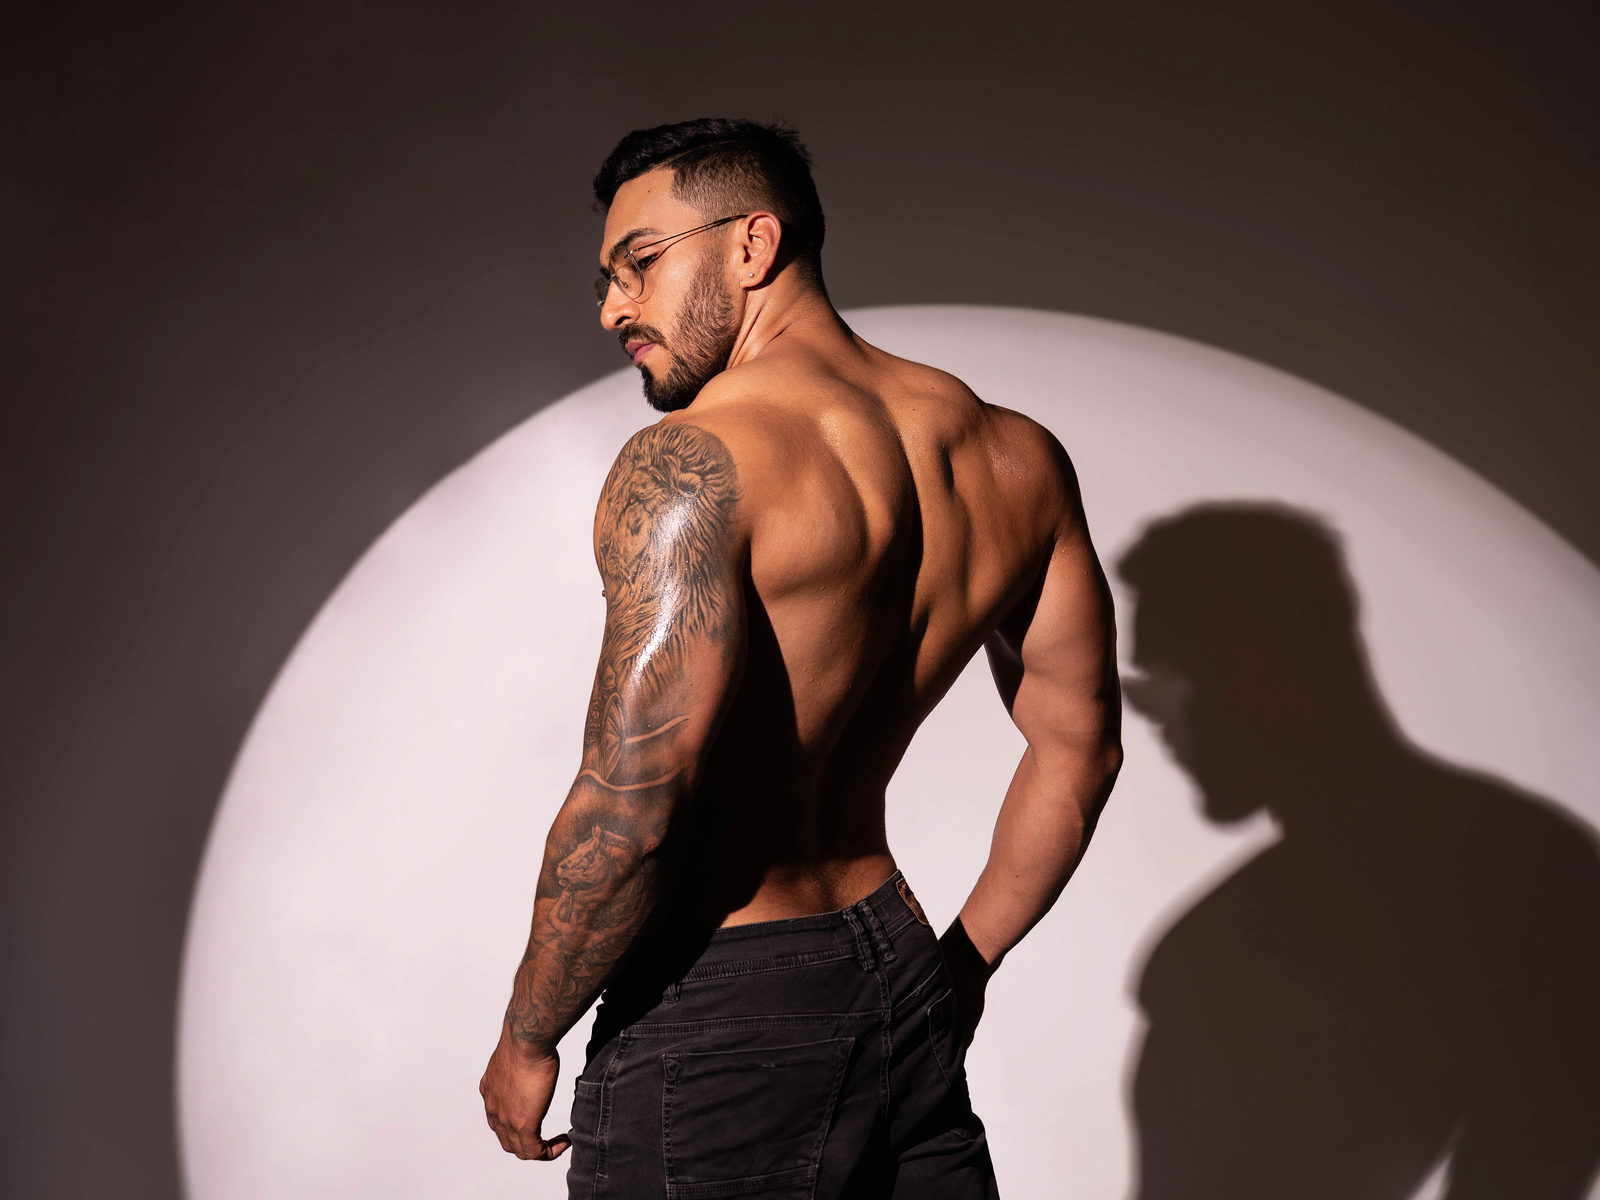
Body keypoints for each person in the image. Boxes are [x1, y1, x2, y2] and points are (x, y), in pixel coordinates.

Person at [480, 117, 1122, 1198]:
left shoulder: (692, 464)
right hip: (894, 966)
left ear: (753, 244)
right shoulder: (1013, 457)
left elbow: (632, 804)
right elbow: (1080, 748)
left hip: (719, 1001)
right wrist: (960, 966)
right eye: (605, 280)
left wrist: (528, 1033)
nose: (612, 309)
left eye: (640, 263)